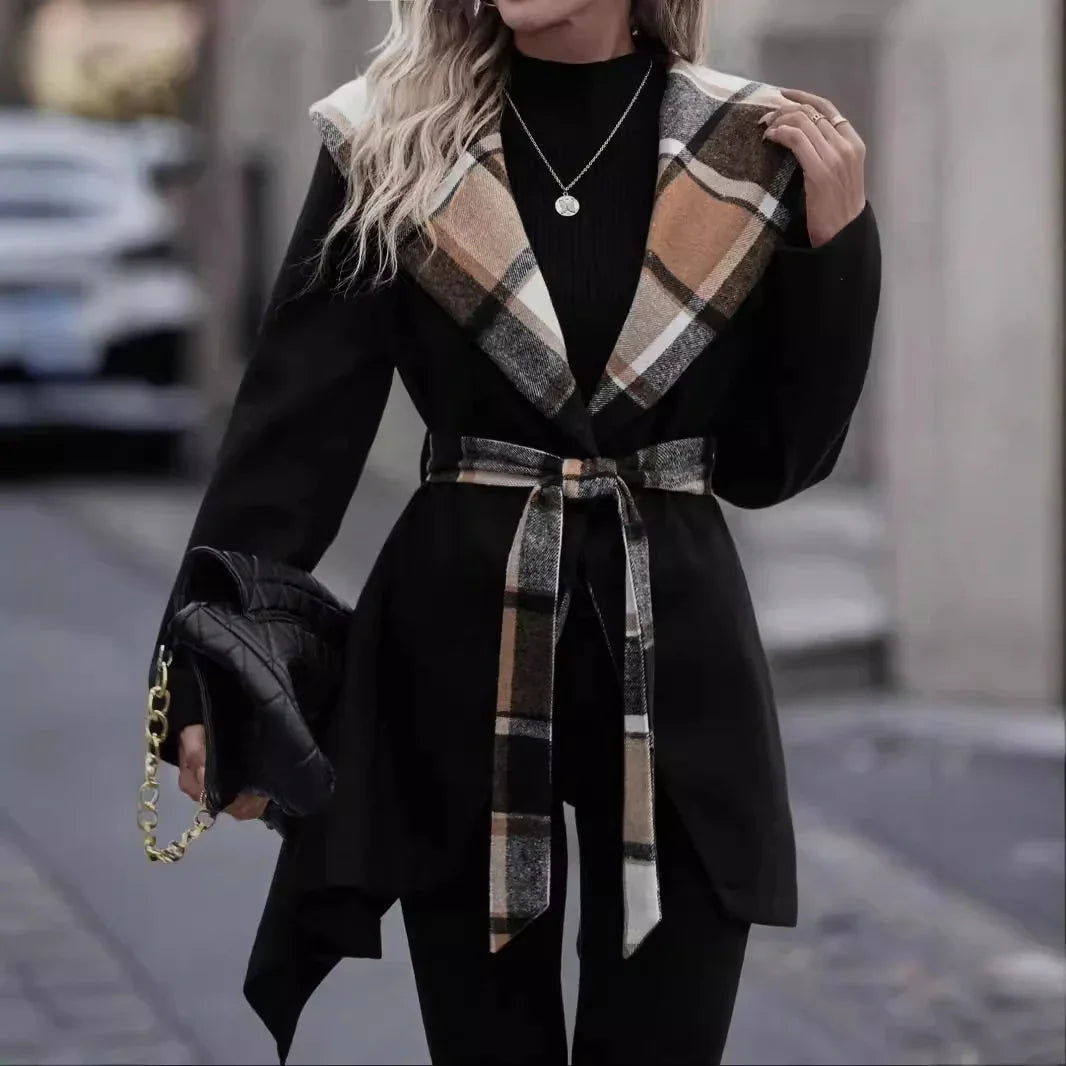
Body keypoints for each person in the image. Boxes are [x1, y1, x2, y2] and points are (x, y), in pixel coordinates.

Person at [150, 0, 881, 1062]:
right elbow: (289, 437)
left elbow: (773, 465)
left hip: (678, 666)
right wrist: (201, 679)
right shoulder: (392, 140)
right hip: (454, 662)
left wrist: (836, 246)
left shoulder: (751, 144)